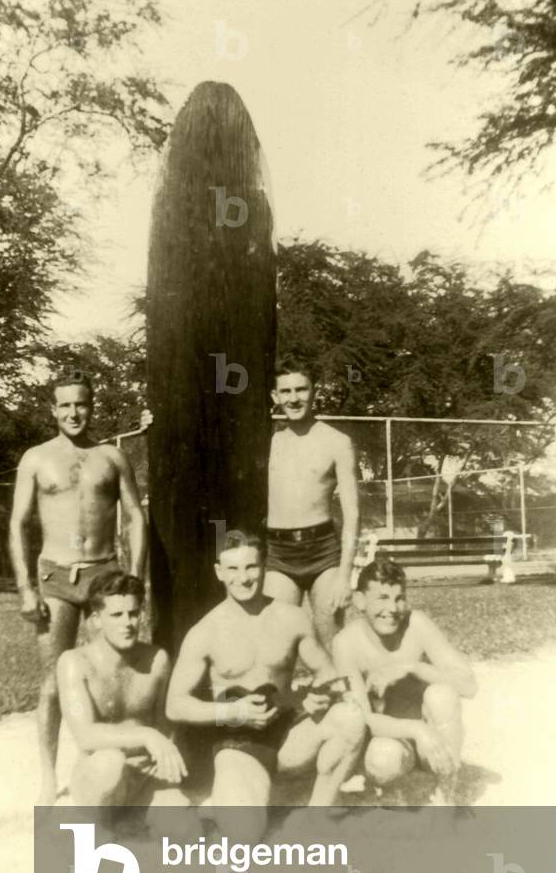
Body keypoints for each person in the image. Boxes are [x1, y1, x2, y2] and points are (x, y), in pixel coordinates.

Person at [166, 530, 366, 834]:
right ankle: (245, 796)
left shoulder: (292, 617)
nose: (243, 578)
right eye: (232, 569)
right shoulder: (205, 632)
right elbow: (175, 705)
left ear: (264, 567)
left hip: (288, 737)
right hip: (239, 744)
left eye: (251, 567)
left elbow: (328, 674)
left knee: (350, 719)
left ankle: (317, 816)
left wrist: (317, 695)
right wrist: (233, 713)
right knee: (244, 834)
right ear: (219, 572)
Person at [9, 371, 149, 804]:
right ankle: (48, 776)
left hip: (105, 575)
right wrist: (26, 588)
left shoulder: (111, 457)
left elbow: (136, 516)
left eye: (81, 404)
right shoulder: (36, 458)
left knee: (111, 676)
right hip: (56, 577)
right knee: (52, 683)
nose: (74, 412)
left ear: (92, 406)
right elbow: (18, 523)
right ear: (52, 409)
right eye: (65, 405)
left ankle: (114, 766)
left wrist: (136, 578)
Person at [333, 555, 477, 799]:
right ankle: (391, 793)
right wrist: (418, 730)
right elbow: (363, 720)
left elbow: (468, 685)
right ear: (360, 601)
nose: (392, 609)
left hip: (431, 737)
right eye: (382, 598)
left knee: (442, 694)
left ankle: (447, 794)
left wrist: (413, 667)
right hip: (390, 741)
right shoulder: (346, 643)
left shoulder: (416, 624)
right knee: (382, 761)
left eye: (399, 599)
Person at [56, 570, 192, 810]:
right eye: (116, 615)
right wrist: (146, 735)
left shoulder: (156, 659)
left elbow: (165, 726)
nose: (127, 623)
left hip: (146, 773)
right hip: (100, 774)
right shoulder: (74, 662)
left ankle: (133, 817)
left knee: (185, 830)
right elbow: (85, 736)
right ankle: (97, 826)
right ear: (97, 619)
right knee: (110, 762)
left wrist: (168, 771)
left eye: (133, 613)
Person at [264, 353, 359, 651]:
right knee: (278, 643)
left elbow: (353, 515)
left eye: (301, 389)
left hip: (324, 553)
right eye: (286, 391)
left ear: (314, 390)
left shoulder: (337, 441)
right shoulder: (268, 441)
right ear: (275, 396)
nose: (294, 399)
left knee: (332, 639)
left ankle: (344, 697)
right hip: (278, 554)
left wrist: (345, 575)